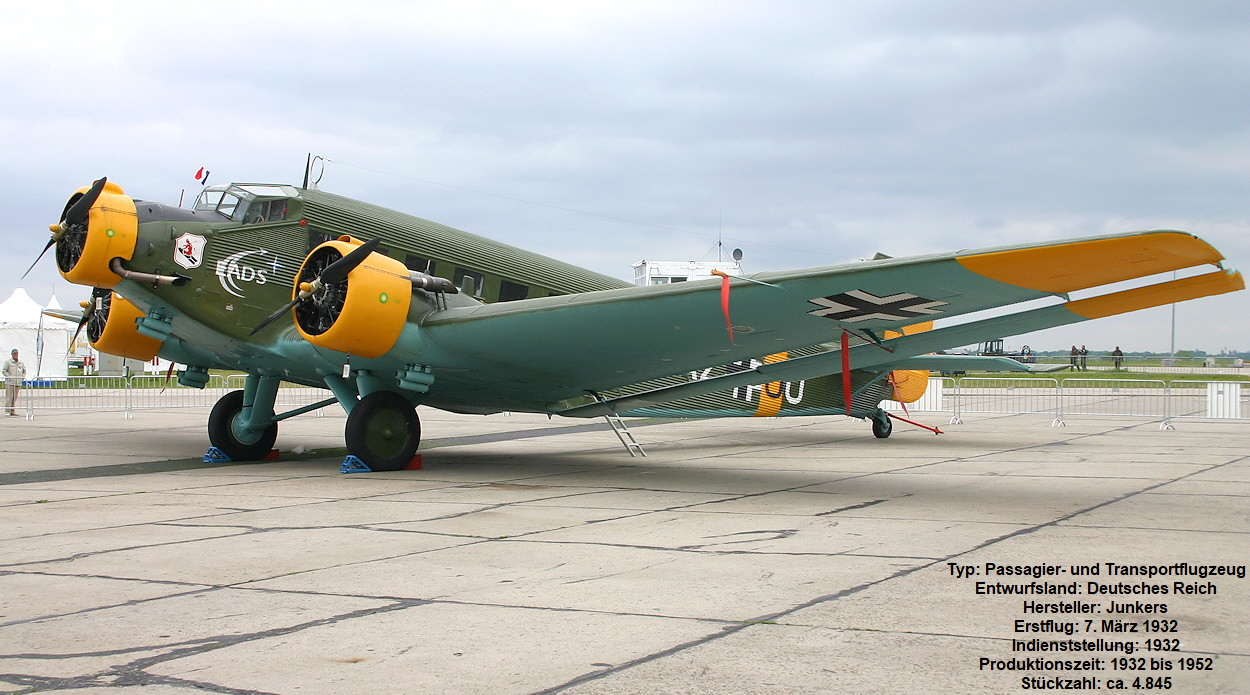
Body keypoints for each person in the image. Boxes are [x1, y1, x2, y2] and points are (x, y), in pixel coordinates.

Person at [3, 348, 26, 416]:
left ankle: (12, 410)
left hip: (17, 383)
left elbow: (24, 370)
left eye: (17, 353)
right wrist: (9, 376)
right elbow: (4, 370)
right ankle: (7, 410)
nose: (16, 355)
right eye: (14, 353)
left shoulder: (20, 362)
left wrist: (22, 377)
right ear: (12, 354)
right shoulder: (8, 362)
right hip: (10, 383)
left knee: (14, 398)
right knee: (9, 397)